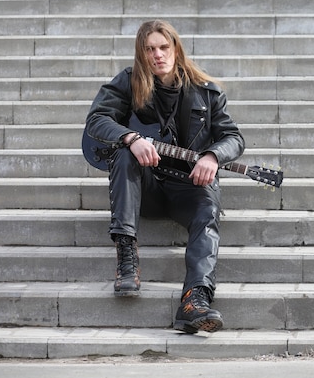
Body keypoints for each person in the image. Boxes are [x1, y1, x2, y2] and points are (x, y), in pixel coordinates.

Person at [84, 20, 245, 334]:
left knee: (209, 208)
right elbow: (97, 120)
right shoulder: (128, 83)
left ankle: (194, 299)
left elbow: (233, 137)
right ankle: (127, 258)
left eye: (163, 47)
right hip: (146, 188)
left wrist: (213, 156)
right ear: (142, 54)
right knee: (125, 151)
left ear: (176, 49)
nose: (158, 55)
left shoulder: (207, 92)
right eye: (150, 49)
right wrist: (131, 137)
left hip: (189, 186)